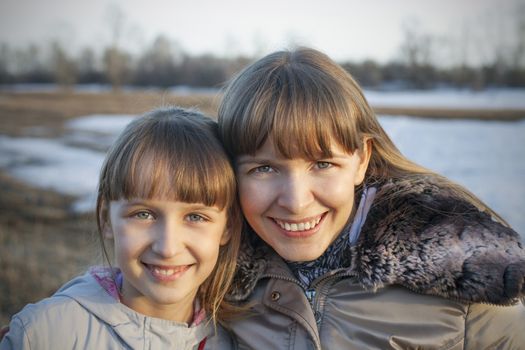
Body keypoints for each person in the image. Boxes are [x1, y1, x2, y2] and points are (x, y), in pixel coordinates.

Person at [217, 47, 525, 349]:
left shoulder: (461, 282)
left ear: (362, 159)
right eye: (264, 168)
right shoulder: (214, 285)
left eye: (323, 164)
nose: (296, 202)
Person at [0, 107, 241, 349]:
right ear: (106, 219)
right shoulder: (45, 335)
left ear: (227, 226)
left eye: (196, 217)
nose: (167, 248)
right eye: (143, 214)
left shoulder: (231, 341)